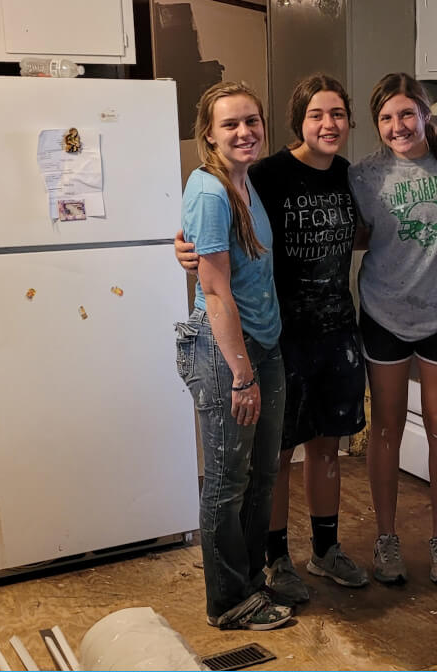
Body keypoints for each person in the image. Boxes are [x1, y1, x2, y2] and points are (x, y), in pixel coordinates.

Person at [176, 75, 369, 603]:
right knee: (251, 471)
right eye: (316, 114)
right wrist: (186, 249)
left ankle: (300, 561)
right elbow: (214, 266)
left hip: (312, 334)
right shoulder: (252, 177)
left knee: (295, 459)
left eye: (337, 113)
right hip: (257, 343)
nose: (327, 124)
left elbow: (364, 231)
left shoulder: (338, 176)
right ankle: (256, 575)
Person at [175, 81, 291, 629]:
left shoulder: (245, 182)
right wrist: (242, 376)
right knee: (226, 480)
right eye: (231, 124)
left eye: (252, 121)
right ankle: (227, 600)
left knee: (262, 473)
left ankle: (250, 582)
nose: (245, 132)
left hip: (262, 344)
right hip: (226, 353)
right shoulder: (210, 191)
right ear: (209, 135)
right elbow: (216, 292)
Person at [348, 73, 437, 585]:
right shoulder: (363, 175)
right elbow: (353, 234)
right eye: (386, 118)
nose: (397, 126)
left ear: (424, 113)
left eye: (406, 114)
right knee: (386, 427)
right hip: (383, 312)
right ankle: (386, 539)